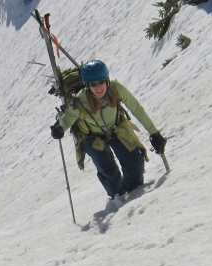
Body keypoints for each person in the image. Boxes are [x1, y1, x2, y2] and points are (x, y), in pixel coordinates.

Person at [50, 60, 167, 199]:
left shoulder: (117, 89)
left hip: (116, 129)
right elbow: (68, 118)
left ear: (107, 80)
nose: (98, 87)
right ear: (87, 85)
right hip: (90, 136)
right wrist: (60, 128)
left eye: (101, 81)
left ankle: (132, 191)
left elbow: (136, 109)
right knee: (109, 172)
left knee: (135, 162)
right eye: (93, 84)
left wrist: (154, 133)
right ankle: (118, 197)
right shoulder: (80, 99)